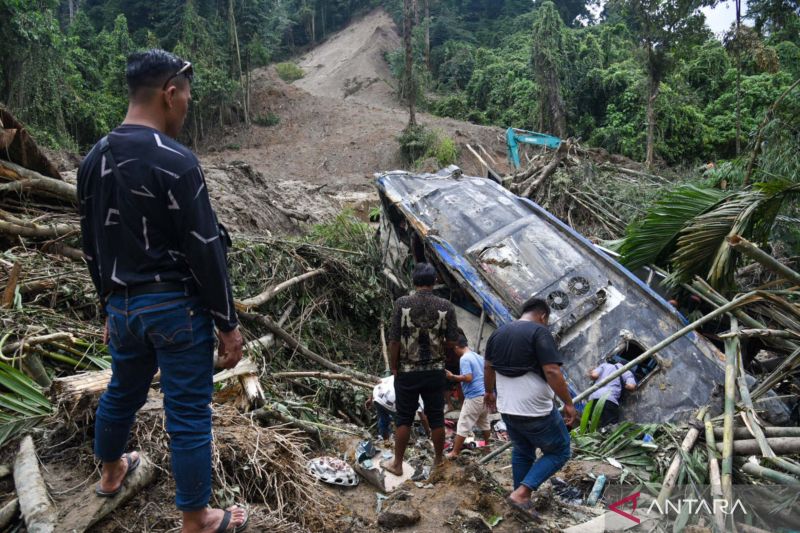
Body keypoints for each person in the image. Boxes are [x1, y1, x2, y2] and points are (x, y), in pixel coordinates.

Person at [78, 50, 247, 533]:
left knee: (122, 393)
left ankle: (112, 473)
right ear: (170, 94)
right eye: (188, 96)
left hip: (123, 308)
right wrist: (227, 323)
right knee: (189, 413)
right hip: (177, 312)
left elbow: (92, 244)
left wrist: (107, 305)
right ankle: (198, 518)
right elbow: (205, 249)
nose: (188, 106)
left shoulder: (93, 160)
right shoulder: (177, 161)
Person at [484, 297, 576, 523]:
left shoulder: (499, 333)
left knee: (523, 449)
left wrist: (489, 392)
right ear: (543, 316)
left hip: (507, 407)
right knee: (560, 450)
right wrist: (568, 402)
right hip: (535, 409)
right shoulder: (539, 332)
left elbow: (487, 367)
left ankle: (520, 500)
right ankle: (522, 494)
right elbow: (552, 371)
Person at [381, 262, 460, 476]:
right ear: (434, 281)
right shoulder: (446, 306)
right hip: (435, 370)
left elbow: (394, 341)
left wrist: (395, 365)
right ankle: (438, 461)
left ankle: (397, 464)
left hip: (407, 370)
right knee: (435, 416)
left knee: (404, 416)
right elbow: (453, 340)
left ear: (414, 281)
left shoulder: (402, 303)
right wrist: (440, 346)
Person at [446, 335, 490, 458]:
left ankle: (454, 452)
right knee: (484, 422)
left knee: (463, 424)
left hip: (474, 396)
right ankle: (488, 448)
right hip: (484, 395)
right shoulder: (479, 357)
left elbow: (468, 377)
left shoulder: (464, 358)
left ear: (456, 347)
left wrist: (452, 377)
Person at [368, 375, 431, 445]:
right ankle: (402, 441)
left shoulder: (400, 374)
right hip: (392, 403)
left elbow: (379, 382)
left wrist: (370, 399)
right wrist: (428, 432)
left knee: (383, 419)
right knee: (401, 423)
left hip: (378, 396)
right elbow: (422, 416)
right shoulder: (420, 391)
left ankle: (386, 440)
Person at [587, 358, 637, 427]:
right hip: (608, 400)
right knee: (610, 429)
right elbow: (631, 386)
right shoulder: (627, 372)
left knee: (588, 425)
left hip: (593, 398)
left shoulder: (605, 365)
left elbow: (594, 375)